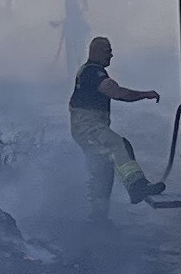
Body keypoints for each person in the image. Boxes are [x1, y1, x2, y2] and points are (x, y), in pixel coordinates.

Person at [68, 36, 165, 217]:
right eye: (108, 51)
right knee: (119, 145)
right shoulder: (93, 72)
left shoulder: (88, 71)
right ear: (96, 52)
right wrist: (145, 94)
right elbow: (116, 92)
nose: (111, 55)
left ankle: (98, 218)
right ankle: (137, 186)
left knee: (103, 171)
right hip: (88, 128)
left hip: (86, 128)